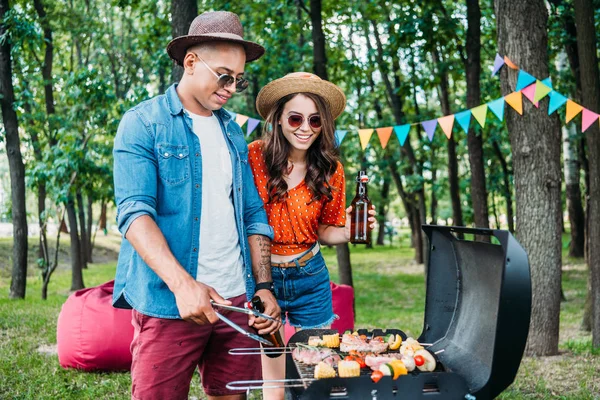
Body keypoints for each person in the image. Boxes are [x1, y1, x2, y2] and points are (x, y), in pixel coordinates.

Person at [112, 11, 281, 400]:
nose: (230, 88)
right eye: (224, 75)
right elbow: (134, 213)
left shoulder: (232, 131)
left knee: (231, 395)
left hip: (236, 299)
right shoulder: (142, 123)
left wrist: (263, 286)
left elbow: (252, 212)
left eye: (238, 80)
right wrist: (184, 285)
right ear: (190, 62)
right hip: (169, 300)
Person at [247, 72, 375, 399]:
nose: (305, 127)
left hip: (310, 276)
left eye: (315, 120)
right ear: (277, 120)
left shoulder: (331, 170)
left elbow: (324, 231)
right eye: (295, 118)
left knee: (317, 372)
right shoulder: (254, 157)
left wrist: (348, 231)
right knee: (274, 373)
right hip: (264, 277)